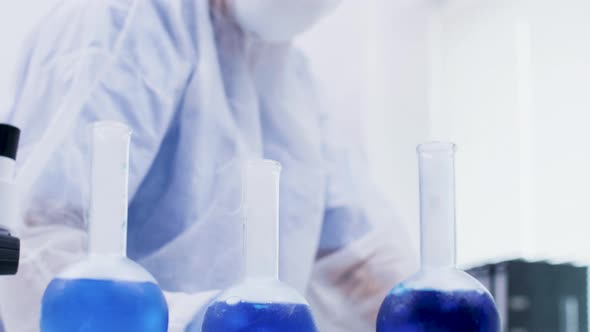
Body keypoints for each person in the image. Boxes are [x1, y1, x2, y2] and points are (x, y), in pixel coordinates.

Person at [0, 0, 418, 331]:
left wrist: (421, 308)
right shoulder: (122, 20)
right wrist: (196, 321)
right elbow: (37, 240)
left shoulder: (296, 83)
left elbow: (360, 265)